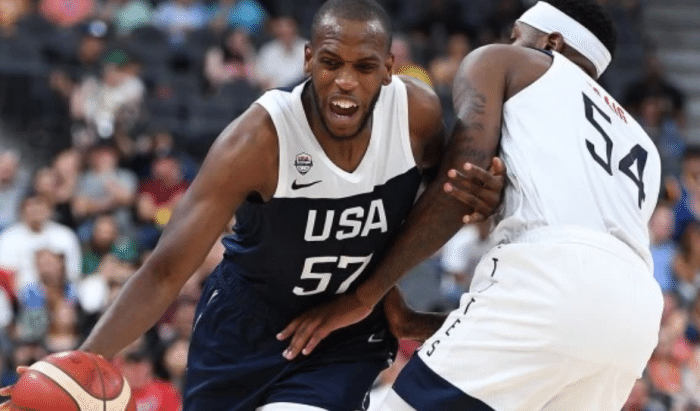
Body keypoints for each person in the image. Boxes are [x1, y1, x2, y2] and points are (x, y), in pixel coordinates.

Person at [0, 1, 503, 410]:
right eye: (331, 63)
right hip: (243, 326)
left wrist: (476, 200)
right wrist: (79, 366)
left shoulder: (415, 115)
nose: (346, 81)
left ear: (389, 68)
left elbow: (441, 201)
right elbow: (166, 270)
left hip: (341, 335)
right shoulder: (258, 139)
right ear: (308, 59)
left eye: (365, 67)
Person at [278, 1, 664, 410]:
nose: (508, 44)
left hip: (550, 278)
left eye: (516, 36)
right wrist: (412, 322)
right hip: (636, 318)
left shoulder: (504, 62)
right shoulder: (644, 146)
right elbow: (576, 304)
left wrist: (364, 296)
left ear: (552, 42)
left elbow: (458, 186)